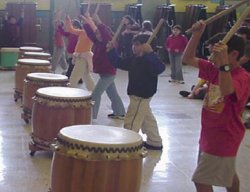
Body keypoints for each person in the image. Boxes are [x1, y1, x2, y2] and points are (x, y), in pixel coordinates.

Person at [182, 20, 250, 192]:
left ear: (233, 54)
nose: (211, 58)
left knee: (201, 180)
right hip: (209, 132)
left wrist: (223, 65)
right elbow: (187, 58)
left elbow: (227, 91)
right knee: (228, 174)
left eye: (215, 54)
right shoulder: (215, 68)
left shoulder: (242, 76)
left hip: (224, 136)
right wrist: (196, 35)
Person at [107, 34, 165, 150]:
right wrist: (111, 51)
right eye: (133, 44)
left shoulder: (150, 60)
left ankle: (127, 145)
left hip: (141, 95)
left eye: (137, 45)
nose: (133, 47)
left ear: (147, 46)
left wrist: (151, 54)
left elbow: (159, 68)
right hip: (136, 93)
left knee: (132, 120)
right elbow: (119, 62)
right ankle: (155, 141)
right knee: (147, 118)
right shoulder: (135, 59)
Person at [82, 13, 125, 120]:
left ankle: (91, 116)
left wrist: (99, 21)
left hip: (108, 73)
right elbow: (90, 34)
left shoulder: (108, 42)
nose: (97, 35)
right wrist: (86, 23)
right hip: (104, 73)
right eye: (96, 34)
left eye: (99, 34)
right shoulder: (98, 42)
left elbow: (104, 32)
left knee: (95, 94)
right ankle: (120, 112)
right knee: (112, 93)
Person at [65, 15, 96, 90]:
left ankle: (70, 90)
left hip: (83, 57)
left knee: (74, 76)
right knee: (86, 75)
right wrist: (68, 20)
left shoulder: (92, 34)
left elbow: (94, 27)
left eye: (85, 23)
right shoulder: (82, 32)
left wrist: (87, 18)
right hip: (79, 56)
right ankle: (93, 91)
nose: (83, 24)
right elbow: (71, 30)